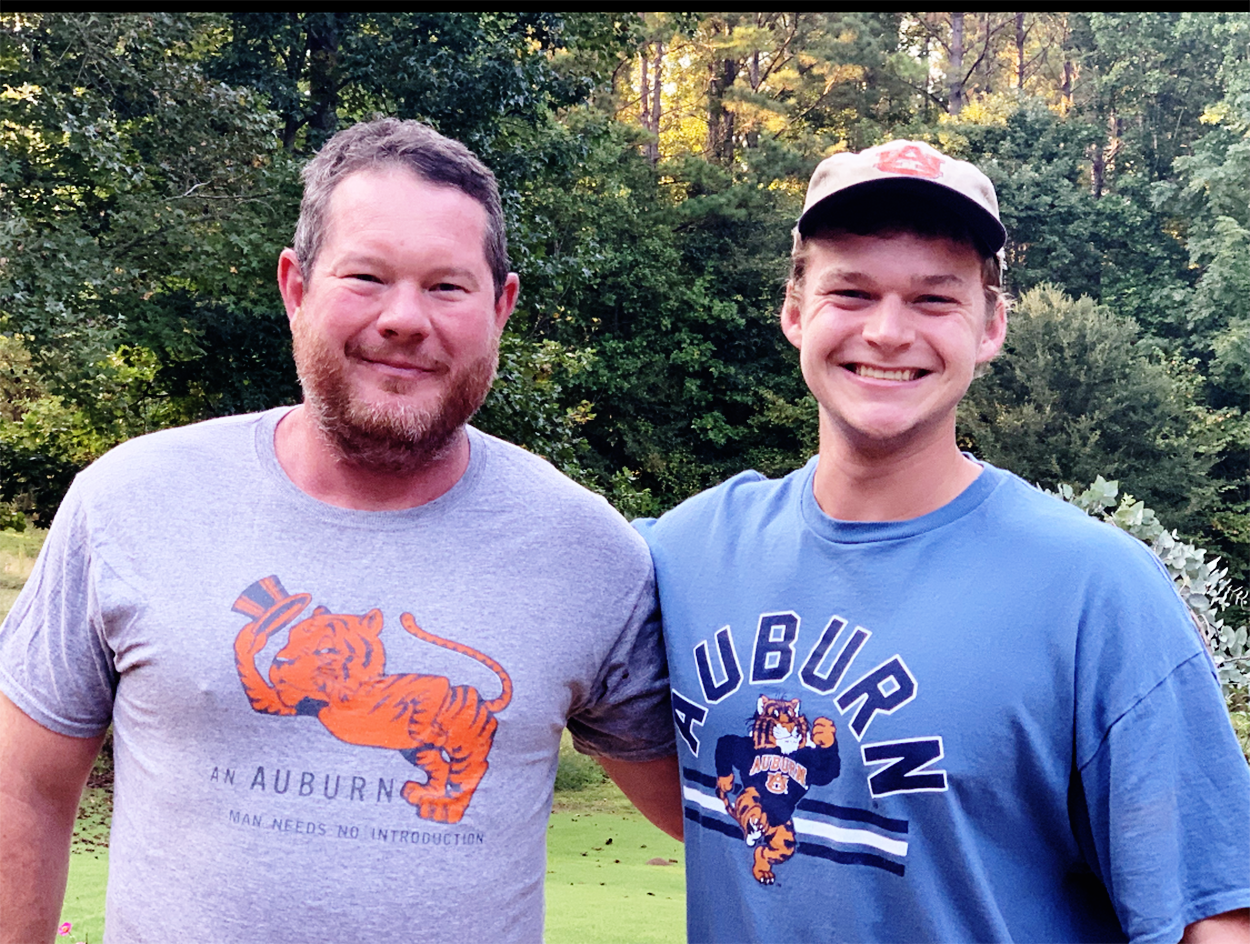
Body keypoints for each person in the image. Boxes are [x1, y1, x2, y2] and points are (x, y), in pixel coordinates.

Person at [0, 118, 680, 944]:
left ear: (501, 307)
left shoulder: (588, 551)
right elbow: (21, 785)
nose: (404, 318)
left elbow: (716, 815)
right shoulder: (129, 501)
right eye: (366, 275)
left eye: (447, 286)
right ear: (295, 286)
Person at [636, 139, 1250, 943]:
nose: (888, 332)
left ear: (990, 326)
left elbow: (1215, 918)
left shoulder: (1094, 589)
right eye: (850, 291)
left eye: (934, 300)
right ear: (794, 311)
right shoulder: (686, 553)